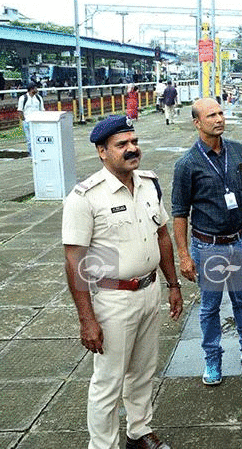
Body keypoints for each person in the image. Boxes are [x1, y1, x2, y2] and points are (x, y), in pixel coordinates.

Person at [62, 114, 184, 449]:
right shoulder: (85, 197)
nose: (132, 149)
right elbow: (75, 260)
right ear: (102, 151)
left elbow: (161, 234)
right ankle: (103, 446)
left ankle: (139, 432)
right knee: (108, 382)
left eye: (134, 142)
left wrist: (172, 284)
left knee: (143, 371)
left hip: (148, 292)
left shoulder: (147, 182)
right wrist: (87, 319)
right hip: (112, 300)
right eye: (122, 145)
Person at [171, 97, 242, 385]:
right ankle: (212, 359)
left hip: (239, 241)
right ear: (197, 123)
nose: (219, 119)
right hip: (209, 246)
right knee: (210, 307)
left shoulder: (237, 151)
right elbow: (180, 214)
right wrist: (184, 255)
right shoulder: (187, 165)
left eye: (220, 113)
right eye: (211, 115)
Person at [17, 82, 44, 155]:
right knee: (29, 140)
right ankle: (31, 154)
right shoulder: (23, 98)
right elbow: (20, 110)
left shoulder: (38, 98)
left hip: (37, 121)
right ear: (32, 89)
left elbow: (42, 110)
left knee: (38, 138)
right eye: (35, 88)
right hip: (27, 121)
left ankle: (38, 153)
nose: (37, 89)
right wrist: (24, 120)